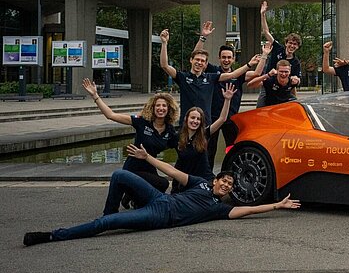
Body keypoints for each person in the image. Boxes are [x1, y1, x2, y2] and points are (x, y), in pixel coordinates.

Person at [22, 145, 302, 246]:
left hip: (160, 215)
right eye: (225, 181)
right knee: (119, 175)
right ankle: (109, 212)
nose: (227, 185)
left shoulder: (219, 208)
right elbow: (173, 171)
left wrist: (276, 205)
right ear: (216, 180)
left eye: (230, 185)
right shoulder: (201, 183)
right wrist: (148, 158)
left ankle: (52, 236)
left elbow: (248, 210)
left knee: (105, 226)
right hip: (160, 198)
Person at [81, 78, 177, 194]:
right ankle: (130, 194)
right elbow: (110, 115)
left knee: (158, 189)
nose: (161, 108)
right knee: (162, 183)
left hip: (149, 167)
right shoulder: (142, 122)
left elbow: (180, 146)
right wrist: (95, 96)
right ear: (153, 108)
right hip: (133, 167)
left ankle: (131, 196)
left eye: (164, 106)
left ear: (169, 109)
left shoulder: (169, 130)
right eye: (158, 105)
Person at [195, 21, 266, 170]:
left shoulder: (238, 74)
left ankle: (230, 175)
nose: (226, 60)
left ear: (233, 59)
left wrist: (264, 55)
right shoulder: (213, 71)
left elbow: (257, 73)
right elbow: (197, 56)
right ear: (219, 58)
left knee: (232, 150)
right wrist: (203, 37)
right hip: (213, 118)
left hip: (231, 119)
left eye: (229, 57)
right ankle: (207, 176)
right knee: (209, 150)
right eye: (223, 57)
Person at [158, 28, 250, 125]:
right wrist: (164, 43)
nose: (199, 62)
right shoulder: (182, 77)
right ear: (191, 60)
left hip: (205, 124)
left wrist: (249, 64)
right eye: (197, 59)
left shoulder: (211, 78)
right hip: (186, 124)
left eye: (202, 61)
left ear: (206, 64)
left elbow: (233, 75)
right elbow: (164, 65)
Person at [170, 82, 237, 193]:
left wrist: (227, 100)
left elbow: (222, 119)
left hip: (203, 178)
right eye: (192, 118)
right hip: (184, 178)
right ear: (186, 119)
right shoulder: (177, 137)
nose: (195, 121)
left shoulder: (204, 133)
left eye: (198, 119)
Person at [258, 1, 302, 107]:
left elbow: (295, 82)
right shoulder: (278, 48)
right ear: (286, 43)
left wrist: (297, 81)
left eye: (295, 44)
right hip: (268, 85)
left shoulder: (296, 62)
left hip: (283, 89)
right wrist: (263, 14)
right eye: (290, 43)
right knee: (260, 107)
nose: (292, 46)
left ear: (297, 47)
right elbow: (266, 32)